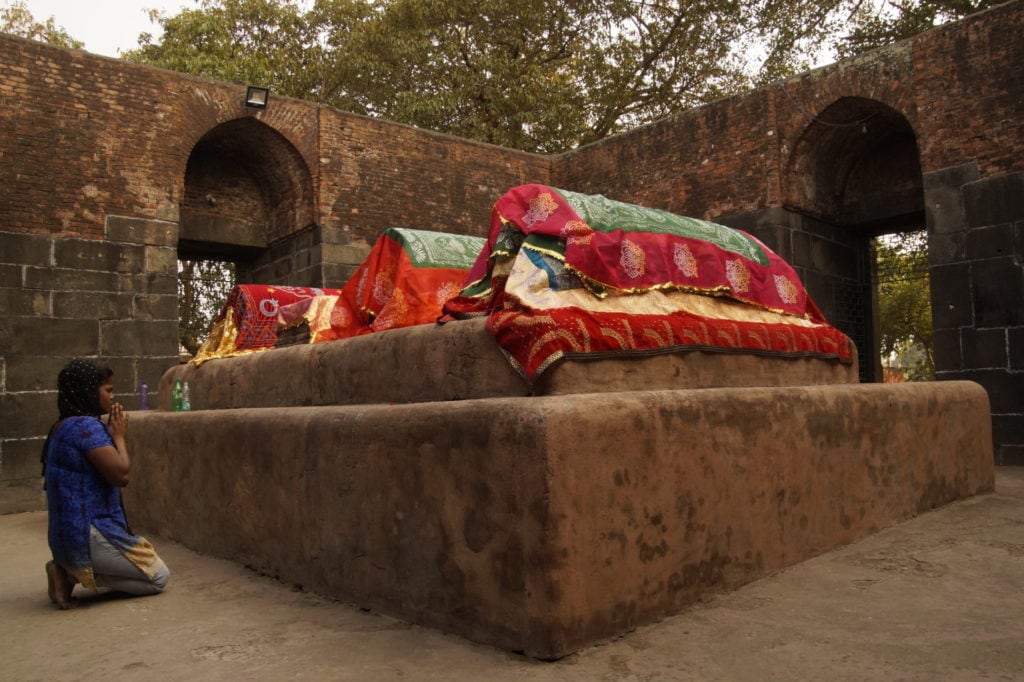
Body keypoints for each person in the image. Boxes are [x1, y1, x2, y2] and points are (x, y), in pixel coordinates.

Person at [41, 358, 170, 608]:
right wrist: (118, 437)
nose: (112, 397)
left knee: (146, 564)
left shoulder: (61, 426)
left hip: (63, 535)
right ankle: (68, 574)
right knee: (158, 578)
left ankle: (67, 569)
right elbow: (122, 475)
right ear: (89, 391)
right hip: (86, 533)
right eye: (108, 390)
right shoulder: (85, 427)